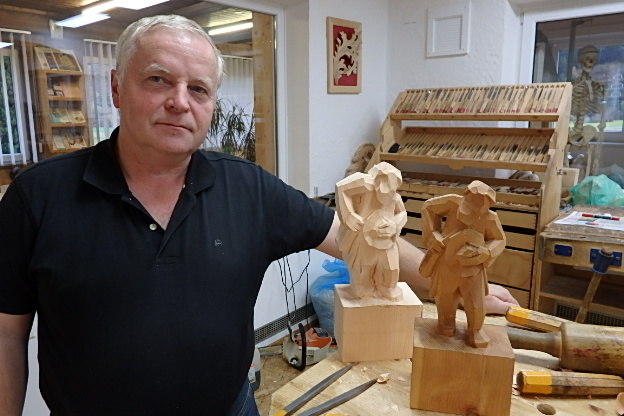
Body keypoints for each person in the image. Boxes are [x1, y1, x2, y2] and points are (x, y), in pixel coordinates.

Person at [0, 15, 518, 416]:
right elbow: (6, 334)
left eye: (198, 89)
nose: (180, 102)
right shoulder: (38, 197)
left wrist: (443, 279)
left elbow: (355, 239)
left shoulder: (247, 188)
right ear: (117, 87)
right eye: (158, 80)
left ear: (212, 104)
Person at [419, 180, 507, 348]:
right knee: (445, 297)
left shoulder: (490, 218)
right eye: (471, 200)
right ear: (465, 195)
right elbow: (428, 208)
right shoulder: (452, 203)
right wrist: (433, 235)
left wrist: (487, 252)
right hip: (447, 261)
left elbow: (499, 240)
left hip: (472, 267)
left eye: (480, 204)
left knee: (476, 303)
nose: (473, 207)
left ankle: (475, 330)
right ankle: (446, 322)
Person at [336, 161, 406, 301]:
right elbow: (341, 188)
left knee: (391, 268)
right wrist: (348, 214)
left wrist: (395, 225)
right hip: (364, 235)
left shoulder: (395, 197)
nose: (388, 193)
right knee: (364, 267)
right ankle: (364, 289)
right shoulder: (365, 183)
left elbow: (402, 212)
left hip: (386, 240)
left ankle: (387, 287)